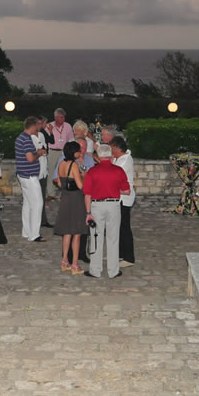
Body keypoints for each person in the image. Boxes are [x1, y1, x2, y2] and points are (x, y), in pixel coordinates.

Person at [83, 144, 130, 279]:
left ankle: (95, 270)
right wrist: (115, 190)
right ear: (110, 156)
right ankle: (113, 270)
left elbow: (87, 194)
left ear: (98, 156)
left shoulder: (92, 172)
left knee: (96, 237)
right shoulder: (118, 171)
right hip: (113, 206)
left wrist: (88, 213)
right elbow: (127, 191)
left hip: (97, 206)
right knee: (113, 238)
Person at [53, 141, 87, 275]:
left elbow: (60, 183)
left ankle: (64, 261)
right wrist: (83, 177)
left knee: (67, 232)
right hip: (76, 200)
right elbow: (80, 186)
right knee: (77, 233)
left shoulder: (61, 163)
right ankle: (75, 264)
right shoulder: (74, 165)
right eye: (78, 150)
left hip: (65, 198)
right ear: (74, 152)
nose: (80, 153)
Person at [15, 116, 46, 242]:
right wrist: (39, 153)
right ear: (32, 126)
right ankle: (34, 234)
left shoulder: (20, 137)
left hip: (22, 175)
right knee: (38, 204)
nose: (38, 128)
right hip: (30, 176)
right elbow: (30, 158)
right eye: (37, 126)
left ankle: (26, 231)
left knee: (28, 204)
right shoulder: (27, 140)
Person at [110, 135, 135, 268]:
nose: (111, 151)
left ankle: (129, 257)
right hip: (119, 197)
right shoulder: (120, 158)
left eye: (112, 148)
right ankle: (119, 253)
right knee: (118, 227)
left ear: (117, 148)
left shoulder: (124, 161)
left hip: (123, 198)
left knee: (124, 227)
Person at [31, 119, 52, 228]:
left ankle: (43, 219)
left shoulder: (42, 135)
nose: (40, 125)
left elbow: (45, 148)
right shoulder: (29, 137)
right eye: (38, 123)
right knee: (35, 198)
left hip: (43, 170)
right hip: (35, 171)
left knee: (42, 197)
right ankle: (35, 220)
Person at [46, 108, 74, 188]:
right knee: (51, 171)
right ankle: (51, 193)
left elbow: (71, 139)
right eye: (61, 117)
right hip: (52, 151)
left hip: (64, 152)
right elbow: (46, 139)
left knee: (65, 171)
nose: (63, 119)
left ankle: (64, 190)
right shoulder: (49, 126)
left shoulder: (68, 126)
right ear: (55, 117)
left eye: (63, 117)